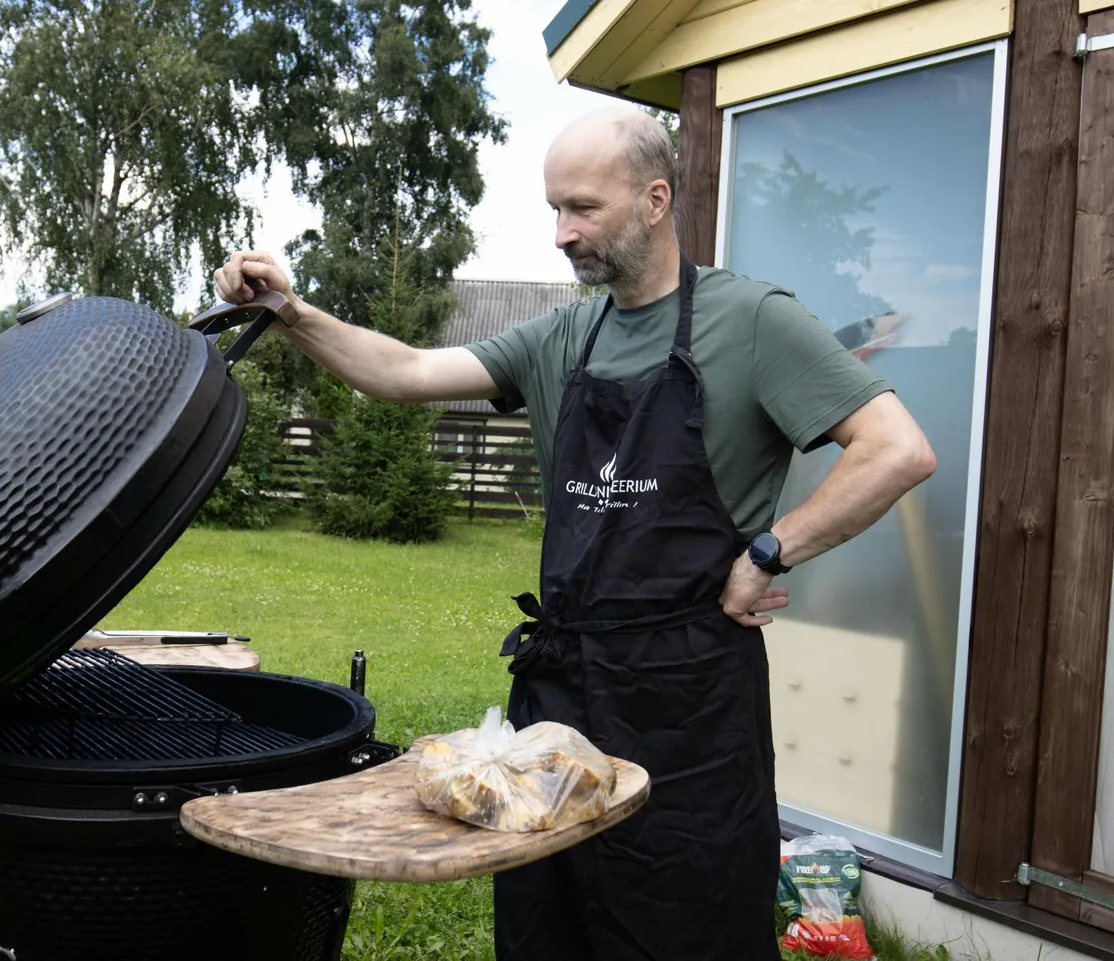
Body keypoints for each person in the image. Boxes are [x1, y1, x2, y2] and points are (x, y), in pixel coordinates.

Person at [209, 105, 936, 961]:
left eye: (583, 208)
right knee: (551, 916)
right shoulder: (564, 333)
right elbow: (403, 372)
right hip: (562, 691)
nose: (562, 232)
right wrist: (293, 311)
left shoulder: (751, 321)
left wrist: (769, 552)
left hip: (688, 701)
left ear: (656, 200)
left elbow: (895, 449)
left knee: (685, 916)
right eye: (555, 209)